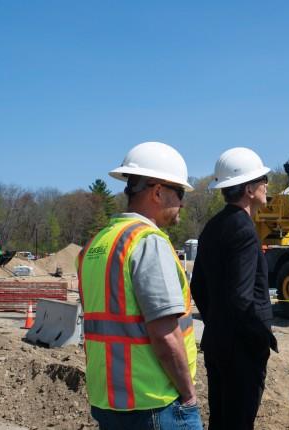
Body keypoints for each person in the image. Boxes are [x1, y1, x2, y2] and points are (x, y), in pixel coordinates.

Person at [78, 141, 202, 430]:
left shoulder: (96, 244)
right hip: (155, 404)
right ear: (157, 192)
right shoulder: (147, 241)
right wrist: (189, 395)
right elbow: (165, 334)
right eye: (179, 193)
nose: (182, 203)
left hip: (108, 401)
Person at [191, 147, 278, 430]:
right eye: (262, 179)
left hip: (218, 343)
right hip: (241, 350)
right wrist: (260, 337)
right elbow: (241, 299)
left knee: (221, 421)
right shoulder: (243, 229)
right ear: (249, 189)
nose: (267, 185)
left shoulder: (213, 226)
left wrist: (216, 322)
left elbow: (198, 287)